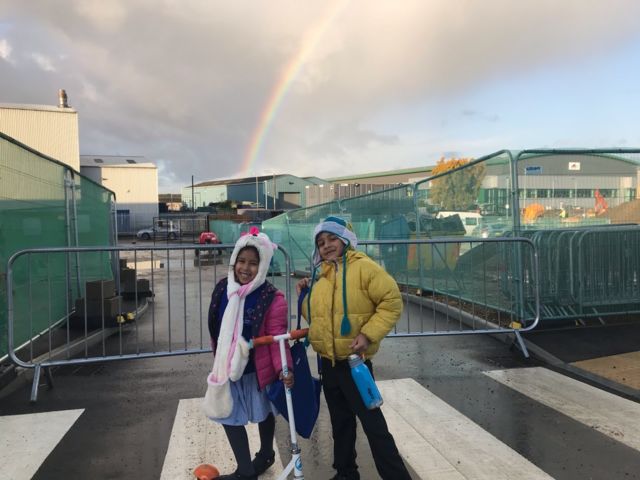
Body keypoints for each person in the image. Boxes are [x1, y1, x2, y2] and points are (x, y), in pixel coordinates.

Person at [297, 216, 411, 480]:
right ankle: (346, 473)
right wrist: (305, 295)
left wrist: (368, 335)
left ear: (346, 239)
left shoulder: (365, 268)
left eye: (332, 239)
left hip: (354, 363)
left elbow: (391, 302)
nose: (327, 245)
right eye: (321, 242)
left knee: (374, 426)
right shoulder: (321, 275)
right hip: (329, 364)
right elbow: (317, 319)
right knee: (341, 424)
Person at [206, 227, 294, 480]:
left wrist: (284, 369)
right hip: (228, 368)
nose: (245, 268)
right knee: (227, 414)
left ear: (263, 265)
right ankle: (245, 471)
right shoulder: (223, 289)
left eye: (253, 263)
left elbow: (277, 340)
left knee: (264, 412)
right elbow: (217, 325)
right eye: (241, 261)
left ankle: (266, 453)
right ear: (234, 261)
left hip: (257, 370)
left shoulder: (272, 299)